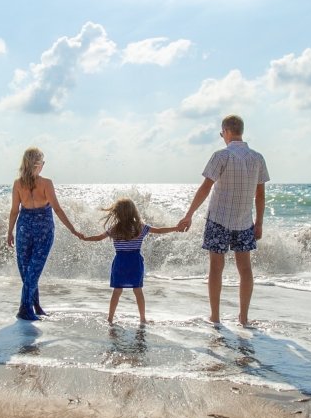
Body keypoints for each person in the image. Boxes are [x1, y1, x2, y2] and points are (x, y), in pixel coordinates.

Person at [176, 115, 270, 327]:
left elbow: (205, 187)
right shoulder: (258, 158)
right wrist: (260, 222)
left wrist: (189, 214)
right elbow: (260, 195)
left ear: (226, 131)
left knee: (216, 269)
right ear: (241, 131)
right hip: (245, 221)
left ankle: (215, 317)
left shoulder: (221, 156)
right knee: (245, 270)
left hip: (218, 219)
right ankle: (243, 318)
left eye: (221, 133)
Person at [6, 147, 81, 321]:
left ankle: (35, 305)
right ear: (38, 164)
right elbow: (57, 208)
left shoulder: (18, 183)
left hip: (24, 227)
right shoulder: (46, 183)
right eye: (43, 162)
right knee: (31, 271)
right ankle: (25, 309)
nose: (44, 165)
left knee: (29, 271)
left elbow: (14, 211)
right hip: (43, 229)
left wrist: (10, 232)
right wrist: (73, 229)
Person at [80, 198, 179, 325]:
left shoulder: (114, 229)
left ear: (117, 213)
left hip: (120, 262)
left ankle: (110, 318)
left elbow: (99, 238)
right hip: (135, 262)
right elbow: (159, 230)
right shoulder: (141, 227)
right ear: (134, 212)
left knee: (117, 291)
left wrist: (85, 238)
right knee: (138, 290)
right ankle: (142, 318)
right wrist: (176, 228)